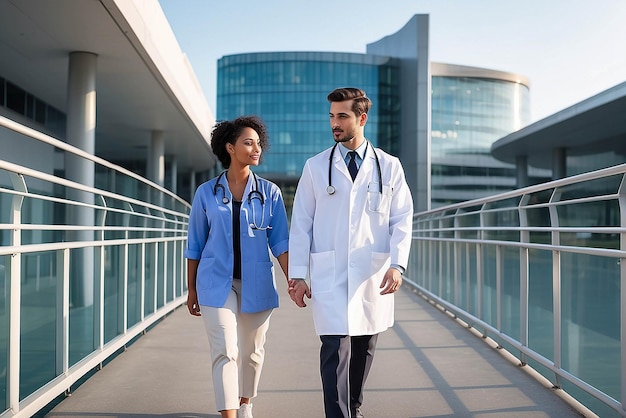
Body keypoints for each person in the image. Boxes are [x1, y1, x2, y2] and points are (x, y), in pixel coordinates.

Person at [288, 88, 413, 418]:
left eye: (341, 116)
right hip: (329, 273)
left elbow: (402, 218)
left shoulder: (389, 166)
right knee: (334, 350)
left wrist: (397, 265)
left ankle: (354, 408)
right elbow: (301, 223)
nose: (334, 123)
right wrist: (297, 275)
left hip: (371, 273)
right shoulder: (316, 167)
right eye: (331, 116)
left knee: (363, 348)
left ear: (361, 118)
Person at [185, 116, 289, 418]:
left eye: (258, 143)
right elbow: (194, 245)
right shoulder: (206, 193)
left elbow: (280, 242)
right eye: (248, 142)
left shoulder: (270, 193)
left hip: (256, 283)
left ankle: (246, 402)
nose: (256, 148)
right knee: (225, 350)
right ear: (230, 147)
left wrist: (294, 280)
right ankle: (229, 414)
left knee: (252, 353)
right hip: (215, 283)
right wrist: (191, 288)